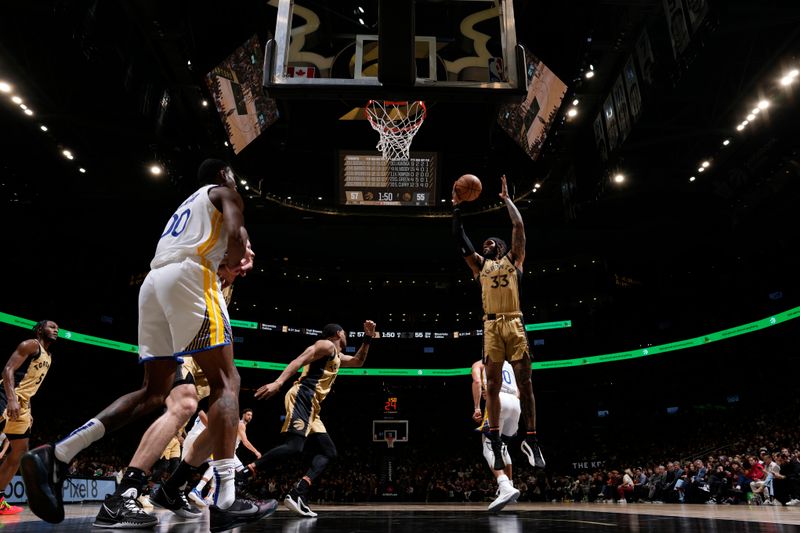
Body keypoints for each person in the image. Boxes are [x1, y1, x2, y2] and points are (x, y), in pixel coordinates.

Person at [21, 159, 275, 531]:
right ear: (224, 175)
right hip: (191, 277)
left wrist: (229, 260)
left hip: (155, 282)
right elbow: (236, 237)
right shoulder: (227, 192)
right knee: (228, 383)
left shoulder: (188, 206)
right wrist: (234, 261)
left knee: (154, 392)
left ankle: (58, 454)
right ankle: (227, 499)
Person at [452, 174, 545, 472]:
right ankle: (493, 438)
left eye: (491, 242)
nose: (486, 244)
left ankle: (531, 438)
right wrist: (456, 207)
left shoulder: (515, 261)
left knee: (526, 382)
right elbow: (460, 240)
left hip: (515, 323)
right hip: (491, 326)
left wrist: (507, 201)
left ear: (502, 247)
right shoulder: (480, 266)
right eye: (485, 243)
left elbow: (518, 226)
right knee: (490, 385)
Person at [238, 321, 377, 517]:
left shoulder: (337, 355)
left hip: (313, 407)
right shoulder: (326, 345)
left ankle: (297, 493)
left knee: (329, 452)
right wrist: (278, 382)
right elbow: (299, 360)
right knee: (294, 446)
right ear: (338, 334)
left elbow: (358, 361)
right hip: (303, 395)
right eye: (344, 333)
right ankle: (245, 473)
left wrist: (368, 338)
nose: (346, 337)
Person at [0, 320, 58, 515]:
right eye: (52, 326)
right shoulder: (31, 344)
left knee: (20, 452)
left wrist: (28, 408)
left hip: (23, 404)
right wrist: (11, 399)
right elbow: (8, 370)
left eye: (57, 328)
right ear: (40, 329)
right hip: (7, 396)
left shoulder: (48, 356)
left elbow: (30, 385)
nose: (56, 330)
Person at [471, 358, 521, 511]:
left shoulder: (479, 364)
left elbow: (477, 383)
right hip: (515, 402)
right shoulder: (509, 364)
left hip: (497, 400)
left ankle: (504, 485)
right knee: (503, 446)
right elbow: (519, 389)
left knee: (488, 446)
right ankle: (510, 485)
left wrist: (477, 408)